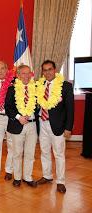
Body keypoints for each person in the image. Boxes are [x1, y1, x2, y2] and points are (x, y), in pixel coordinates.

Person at [36, 60, 74, 193]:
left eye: (50, 69)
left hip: (58, 126)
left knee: (59, 154)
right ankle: (47, 176)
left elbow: (70, 109)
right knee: (44, 152)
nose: (47, 72)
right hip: (42, 123)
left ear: (55, 69)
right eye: (45, 70)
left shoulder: (66, 86)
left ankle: (61, 181)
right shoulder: (39, 85)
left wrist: (68, 128)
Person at [5, 65, 38, 188]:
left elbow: (40, 105)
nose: (26, 76)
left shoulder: (35, 88)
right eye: (23, 73)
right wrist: (19, 117)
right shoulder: (12, 89)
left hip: (32, 125)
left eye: (28, 73)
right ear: (18, 75)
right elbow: (8, 108)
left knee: (30, 153)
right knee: (17, 153)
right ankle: (17, 177)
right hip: (17, 125)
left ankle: (28, 177)